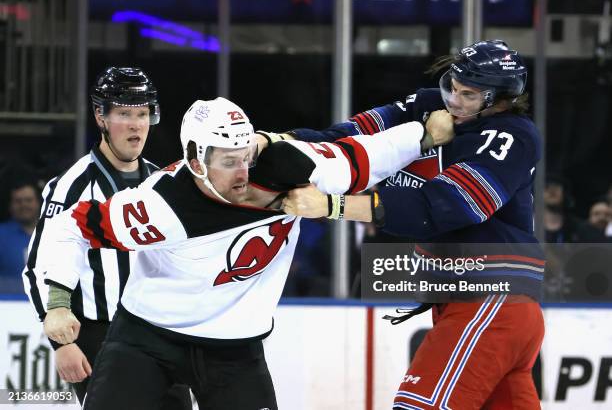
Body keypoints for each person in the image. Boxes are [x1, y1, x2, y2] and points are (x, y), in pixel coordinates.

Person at [37, 96, 453, 410]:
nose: (243, 173)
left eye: (246, 158)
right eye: (228, 162)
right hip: (147, 341)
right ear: (196, 160)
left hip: (235, 352)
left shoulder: (292, 166)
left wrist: (425, 134)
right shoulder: (158, 207)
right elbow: (70, 226)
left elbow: (364, 155)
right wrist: (57, 303)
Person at [283, 40, 545, 409]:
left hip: (490, 299)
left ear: (500, 99)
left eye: (468, 94)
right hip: (475, 303)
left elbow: (444, 207)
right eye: (451, 86)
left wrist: (331, 205)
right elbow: (351, 137)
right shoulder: (427, 104)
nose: (453, 100)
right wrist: (281, 142)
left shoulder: (510, 137)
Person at [21, 67, 190, 408]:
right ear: (100, 116)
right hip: (101, 335)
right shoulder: (73, 185)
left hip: (159, 332)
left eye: (143, 114)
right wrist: (62, 344)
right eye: (124, 114)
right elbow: (38, 266)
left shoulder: (162, 182)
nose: (136, 125)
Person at [0, 181, 41, 293]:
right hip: (9, 304)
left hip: (49, 304)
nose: (24, 205)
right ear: (10, 206)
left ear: (38, 203)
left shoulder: (54, 234)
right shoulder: (1, 234)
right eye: (18, 201)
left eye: (28, 200)